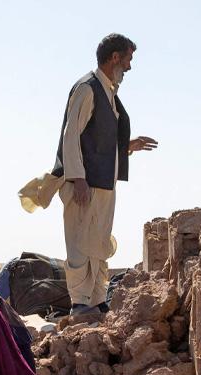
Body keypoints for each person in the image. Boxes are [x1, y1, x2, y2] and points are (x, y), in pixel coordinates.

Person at [44, 33, 158, 315]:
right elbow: (71, 137)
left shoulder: (108, 92)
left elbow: (97, 139)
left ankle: (97, 299)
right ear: (115, 57)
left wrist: (127, 147)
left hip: (104, 184)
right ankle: (80, 302)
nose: (130, 67)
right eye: (128, 59)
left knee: (99, 243)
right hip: (85, 184)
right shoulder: (87, 88)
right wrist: (78, 178)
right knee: (81, 243)